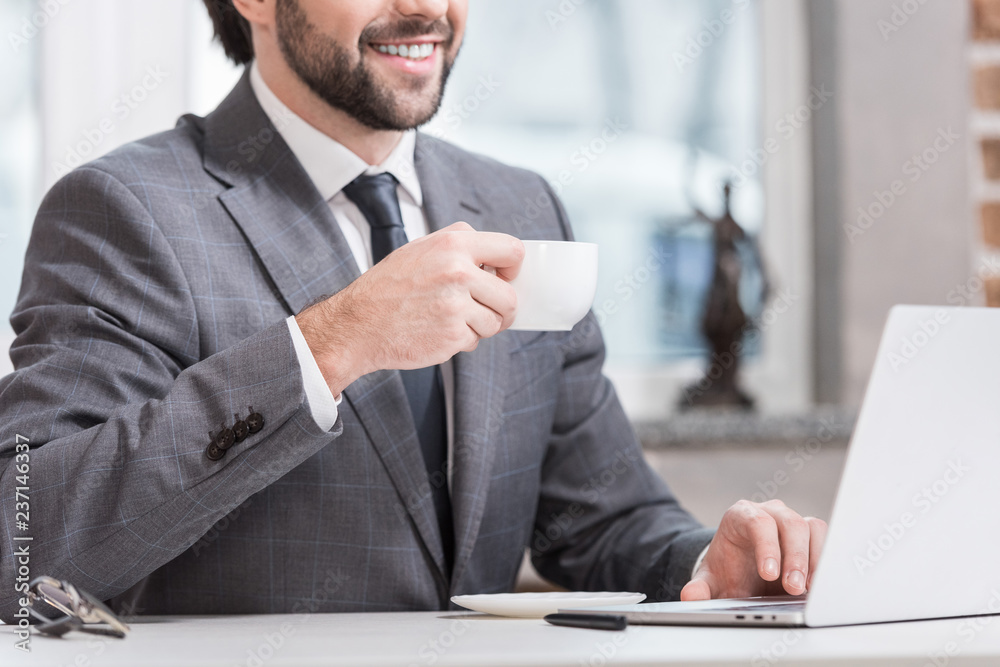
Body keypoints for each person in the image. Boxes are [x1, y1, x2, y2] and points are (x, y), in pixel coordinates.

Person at [0, 0, 825, 620]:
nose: (426, 8)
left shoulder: (520, 205)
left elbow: (602, 515)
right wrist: (329, 344)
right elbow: (25, 542)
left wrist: (707, 561)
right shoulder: (124, 211)